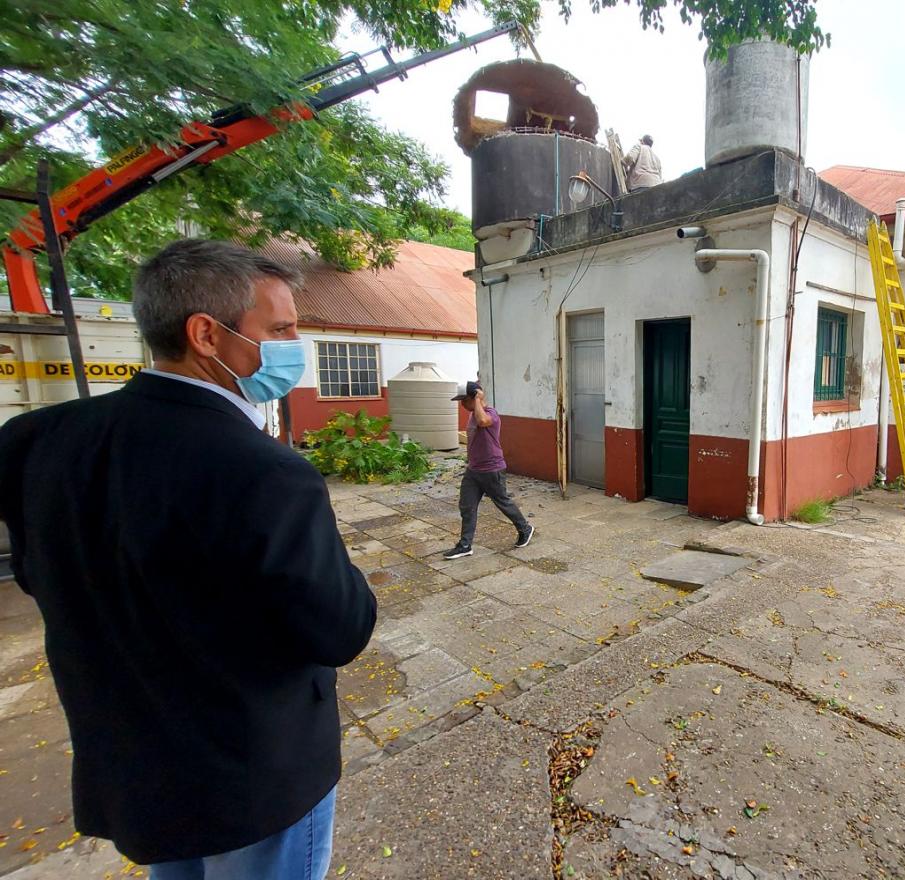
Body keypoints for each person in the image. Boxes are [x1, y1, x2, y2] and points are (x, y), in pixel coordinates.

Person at [0, 240, 376, 878]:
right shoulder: (264, 472)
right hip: (253, 778)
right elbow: (340, 628)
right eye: (280, 329)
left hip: (134, 768)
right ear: (206, 333)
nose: (294, 345)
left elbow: (40, 575)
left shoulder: (36, 441)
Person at [442, 381, 533, 559]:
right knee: (467, 506)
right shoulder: (472, 414)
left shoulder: (491, 414)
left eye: (464, 400)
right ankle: (465, 544)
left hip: (492, 469)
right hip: (474, 471)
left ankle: (525, 528)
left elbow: (483, 421)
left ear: (475, 397)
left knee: (503, 502)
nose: (461, 404)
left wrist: (478, 399)